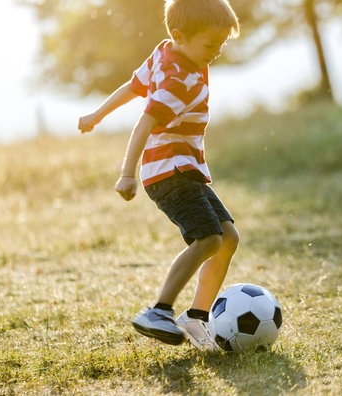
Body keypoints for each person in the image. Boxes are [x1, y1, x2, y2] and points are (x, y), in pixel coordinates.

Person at [78, 0, 240, 351]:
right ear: (180, 35)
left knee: (228, 238)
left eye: (222, 44)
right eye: (210, 45)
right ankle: (158, 310)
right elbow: (145, 122)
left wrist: (96, 114)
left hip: (187, 170)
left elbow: (132, 86)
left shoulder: (165, 52)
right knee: (209, 239)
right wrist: (126, 174)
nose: (216, 52)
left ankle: (196, 317)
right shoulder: (178, 79)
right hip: (170, 171)